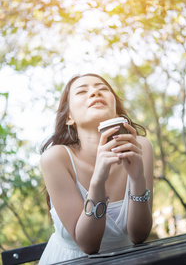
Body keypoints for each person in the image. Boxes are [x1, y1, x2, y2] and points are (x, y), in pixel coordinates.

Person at [39, 73, 154, 264]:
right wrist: (98, 181)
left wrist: (136, 178)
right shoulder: (55, 158)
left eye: (102, 88)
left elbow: (139, 235)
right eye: (82, 91)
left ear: (116, 110)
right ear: (69, 117)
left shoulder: (141, 146)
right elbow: (89, 245)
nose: (94, 92)